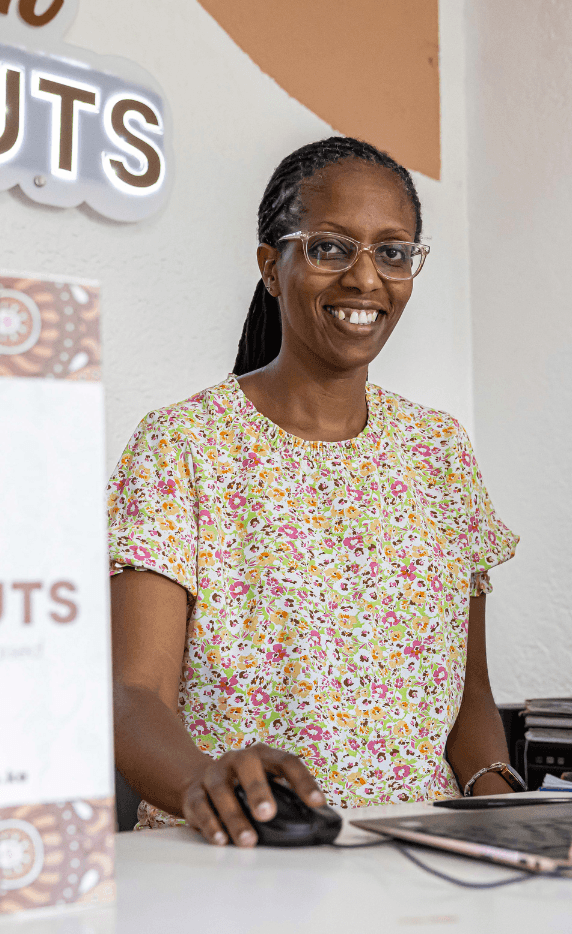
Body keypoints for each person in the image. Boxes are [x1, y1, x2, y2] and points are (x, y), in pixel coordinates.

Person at [107, 137, 519, 846]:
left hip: (422, 858)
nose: (367, 279)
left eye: (393, 252)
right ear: (272, 266)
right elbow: (132, 697)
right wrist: (206, 785)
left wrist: (499, 799)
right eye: (331, 248)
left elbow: (468, 694)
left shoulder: (439, 453)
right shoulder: (182, 446)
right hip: (237, 856)